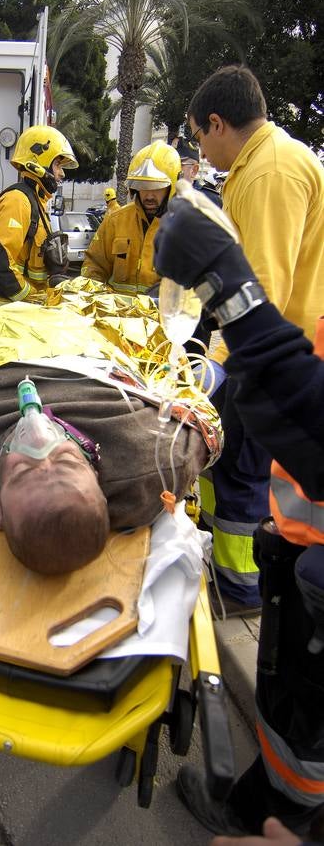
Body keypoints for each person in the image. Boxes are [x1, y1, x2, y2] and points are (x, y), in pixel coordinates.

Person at [153, 184, 324, 840]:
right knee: (288, 712)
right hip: (299, 543)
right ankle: (258, 803)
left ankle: (269, 812)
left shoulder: (271, 173)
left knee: (303, 736)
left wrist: (237, 301)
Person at [0, 290, 221, 575]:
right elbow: (205, 429)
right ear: (103, 490)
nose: (41, 438)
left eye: (24, 469)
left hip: (2, 337)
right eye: (67, 462)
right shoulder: (150, 463)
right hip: (90, 343)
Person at [187, 64, 324, 612]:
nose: (203, 150)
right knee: (229, 462)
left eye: (199, 135)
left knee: (244, 468)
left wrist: (216, 360)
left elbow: (263, 285)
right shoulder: (258, 165)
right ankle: (234, 578)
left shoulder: (270, 171)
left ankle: (244, 591)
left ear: (217, 123)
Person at [0, 125, 79, 312]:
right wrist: (31, 298)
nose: (62, 173)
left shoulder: (37, 203)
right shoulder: (18, 201)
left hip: (22, 312)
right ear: (38, 162)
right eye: (58, 165)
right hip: (7, 314)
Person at [81, 140, 180, 295]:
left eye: (156, 187)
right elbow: (94, 264)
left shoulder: (186, 229)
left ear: (171, 186)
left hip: (159, 317)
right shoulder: (116, 220)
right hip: (116, 316)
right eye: (142, 187)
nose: (149, 195)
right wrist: (94, 296)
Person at [172, 136, 222, 207]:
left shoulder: (210, 201)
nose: (172, 168)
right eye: (170, 163)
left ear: (194, 170)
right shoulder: (162, 195)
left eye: (178, 164)